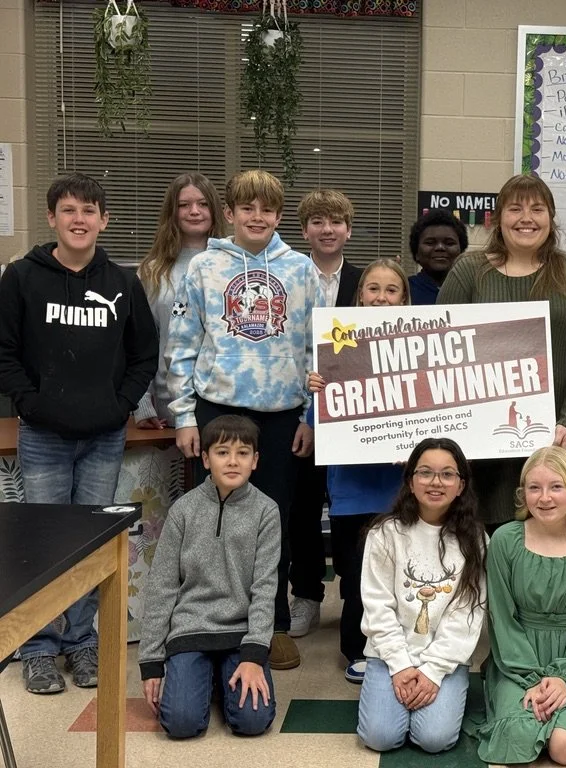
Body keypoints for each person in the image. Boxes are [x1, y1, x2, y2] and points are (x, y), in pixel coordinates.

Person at [0, 172, 158, 695]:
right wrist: (31, 402)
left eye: (89, 211)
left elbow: (143, 355)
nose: (79, 220)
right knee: (43, 543)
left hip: (103, 437)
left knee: (92, 544)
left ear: (103, 220)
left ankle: (82, 643)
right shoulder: (22, 277)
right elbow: (3, 352)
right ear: (51, 218)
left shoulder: (122, 282)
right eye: (69, 210)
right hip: (43, 435)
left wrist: (119, 406)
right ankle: (40, 648)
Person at [166, 169, 318, 671]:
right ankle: (207, 620)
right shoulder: (204, 267)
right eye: (247, 208)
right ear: (228, 213)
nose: (258, 217)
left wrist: (309, 416)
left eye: (268, 209)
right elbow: (183, 346)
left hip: (280, 417)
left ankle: (270, 624)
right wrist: (185, 416)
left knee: (274, 520)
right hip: (219, 409)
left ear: (278, 215)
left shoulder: (300, 270)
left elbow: (319, 350)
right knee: (213, 521)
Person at [437, 174, 566, 529]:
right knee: (491, 546)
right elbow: (439, 350)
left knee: (560, 542)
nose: (526, 218)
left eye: (537, 209)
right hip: (486, 447)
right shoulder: (469, 272)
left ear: (551, 217)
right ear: (497, 219)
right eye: (515, 208)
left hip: (558, 437)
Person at [473, 446, 566, 765]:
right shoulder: (505, 540)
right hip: (517, 659)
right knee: (517, 739)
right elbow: (501, 620)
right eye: (534, 488)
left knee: (564, 748)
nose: (545, 498)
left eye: (556, 487)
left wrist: (564, 678)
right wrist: (532, 679)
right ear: (522, 493)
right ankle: (527, 707)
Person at [139, 415, 279, 738]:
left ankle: (220, 676)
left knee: (252, 721)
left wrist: (255, 655)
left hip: (241, 634)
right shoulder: (183, 511)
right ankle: (206, 678)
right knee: (181, 724)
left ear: (255, 461)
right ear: (205, 458)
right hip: (190, 629)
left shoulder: (266, 512)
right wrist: (151, 662)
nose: (233, 461)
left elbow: (265, 588)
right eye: (222, 452)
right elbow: (161, 586)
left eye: (243, 453)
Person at [307, 258, 411, 683]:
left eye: (391, 290)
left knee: (403, 572)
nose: (381, 297)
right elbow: (320, 424)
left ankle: (402, 646)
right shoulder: (337, 344)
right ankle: (356, 646)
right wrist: (317, 390)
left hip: (403, 489)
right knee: (355, 573)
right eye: (373, 289)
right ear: (359, 295)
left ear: (404, 300)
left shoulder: (418, 345)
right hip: (352, 488)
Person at [356, 438, 487, 754]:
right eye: (425, 472)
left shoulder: (476, 540)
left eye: (447, 474)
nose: (436, 482)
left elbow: (467, 616)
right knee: (380, 737)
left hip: (445, 658)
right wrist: (400, 665)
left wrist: (432, 671)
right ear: (411, 481)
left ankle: (426, 700)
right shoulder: (385, 534)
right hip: (389, 654)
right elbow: (377, 606)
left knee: (434, 739)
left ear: (460, 485)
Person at [287, 189, 363, 639]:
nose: (327, 229)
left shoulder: (365, 280)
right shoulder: (289, 276)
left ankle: (357, 600)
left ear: (348, 230)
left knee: (352, 511)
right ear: (304, 231)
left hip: (355, 416)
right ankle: (308, 596)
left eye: (336, 221)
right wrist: (305, 415)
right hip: (304, 413)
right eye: (317, 221)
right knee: (303, 509)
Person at [135, 172, 227, 428]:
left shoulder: (232, 266)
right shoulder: (152, 271)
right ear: (172, 212)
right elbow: (139, 342)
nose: (194, 211)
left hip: (225, 403)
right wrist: (142, 404)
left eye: (203, 204)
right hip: (169, 406)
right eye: (184, 205)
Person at [407, 209, 468, 305]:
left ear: (461, 251)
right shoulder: (404, 290)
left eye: (449, 243)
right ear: (417, 253)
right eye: (430, 243)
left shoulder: (474, 289)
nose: (440, 247)